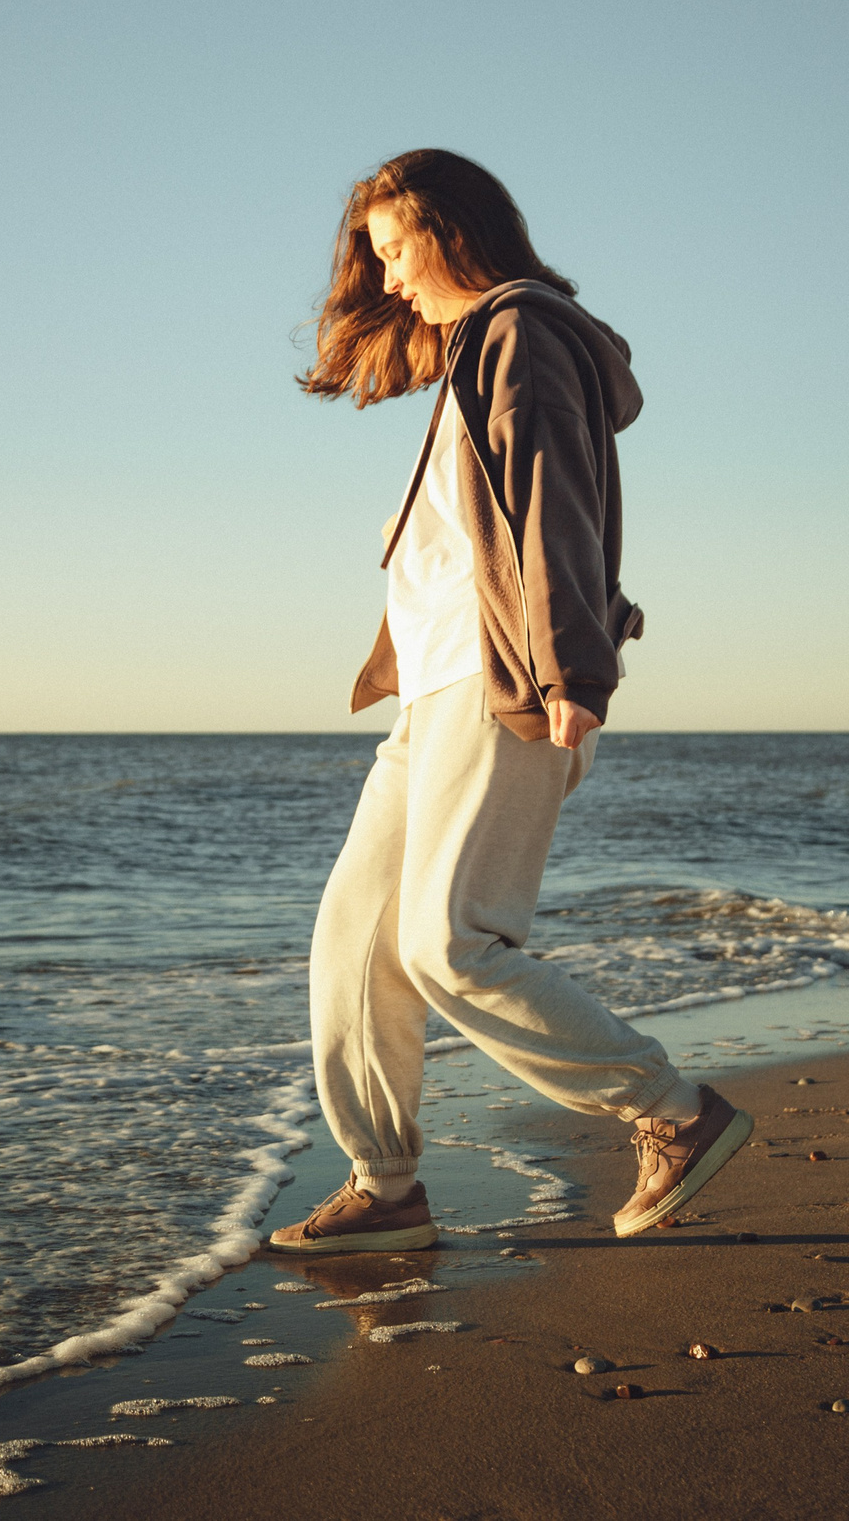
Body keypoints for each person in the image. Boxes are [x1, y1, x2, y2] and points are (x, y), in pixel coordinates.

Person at [267, 149, 751, 1256]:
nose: (389, 278)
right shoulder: (473, 356)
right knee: (355, 940)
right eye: (376, 258)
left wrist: (573, 671)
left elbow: (550, 505)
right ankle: (385, 1186)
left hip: (501, 680)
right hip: (434, 690)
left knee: (451, 942)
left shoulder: (521, 332)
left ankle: (673, 1112)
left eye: (396, 250)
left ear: (451, 232)